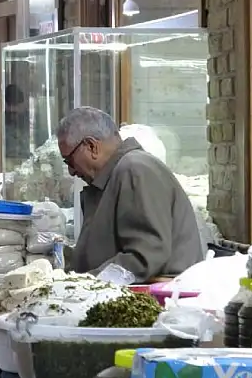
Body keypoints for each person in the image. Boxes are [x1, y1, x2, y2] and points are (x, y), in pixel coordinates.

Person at [57, 106, 203, 283]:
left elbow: (144, 255)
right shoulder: (114, 176)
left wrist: (86, 284)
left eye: (70, 161)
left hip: (158, 299)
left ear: (91, 146)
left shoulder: (135, 169)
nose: (71, 171)